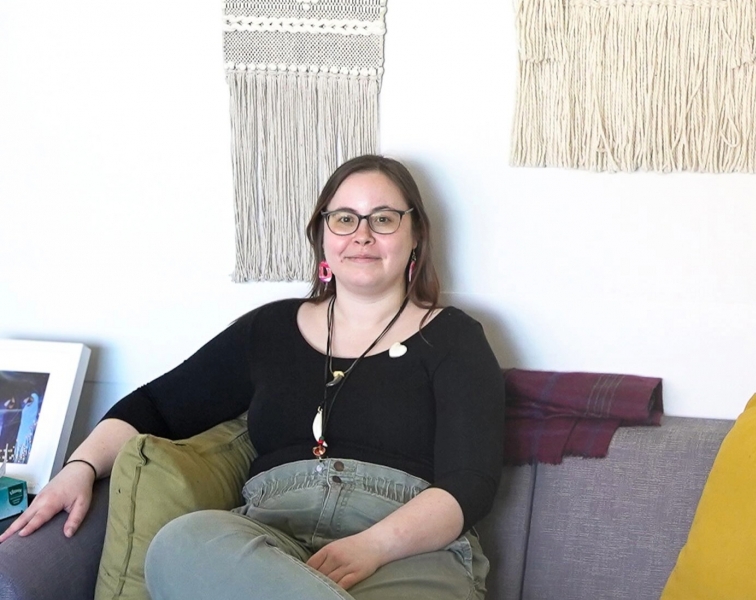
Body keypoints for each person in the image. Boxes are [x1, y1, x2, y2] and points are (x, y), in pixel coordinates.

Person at [0, 155, 506, 600]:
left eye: (385, 219)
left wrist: (372, 547)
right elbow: (154, 407)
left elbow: (470, 484)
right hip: (272, 546)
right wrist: (81, 466)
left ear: (416, 235)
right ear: (322, 237)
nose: (362, 235)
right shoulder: (268, 331)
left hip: (404, 551)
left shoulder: (455, 339)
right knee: (180, 543)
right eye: (345, 218)